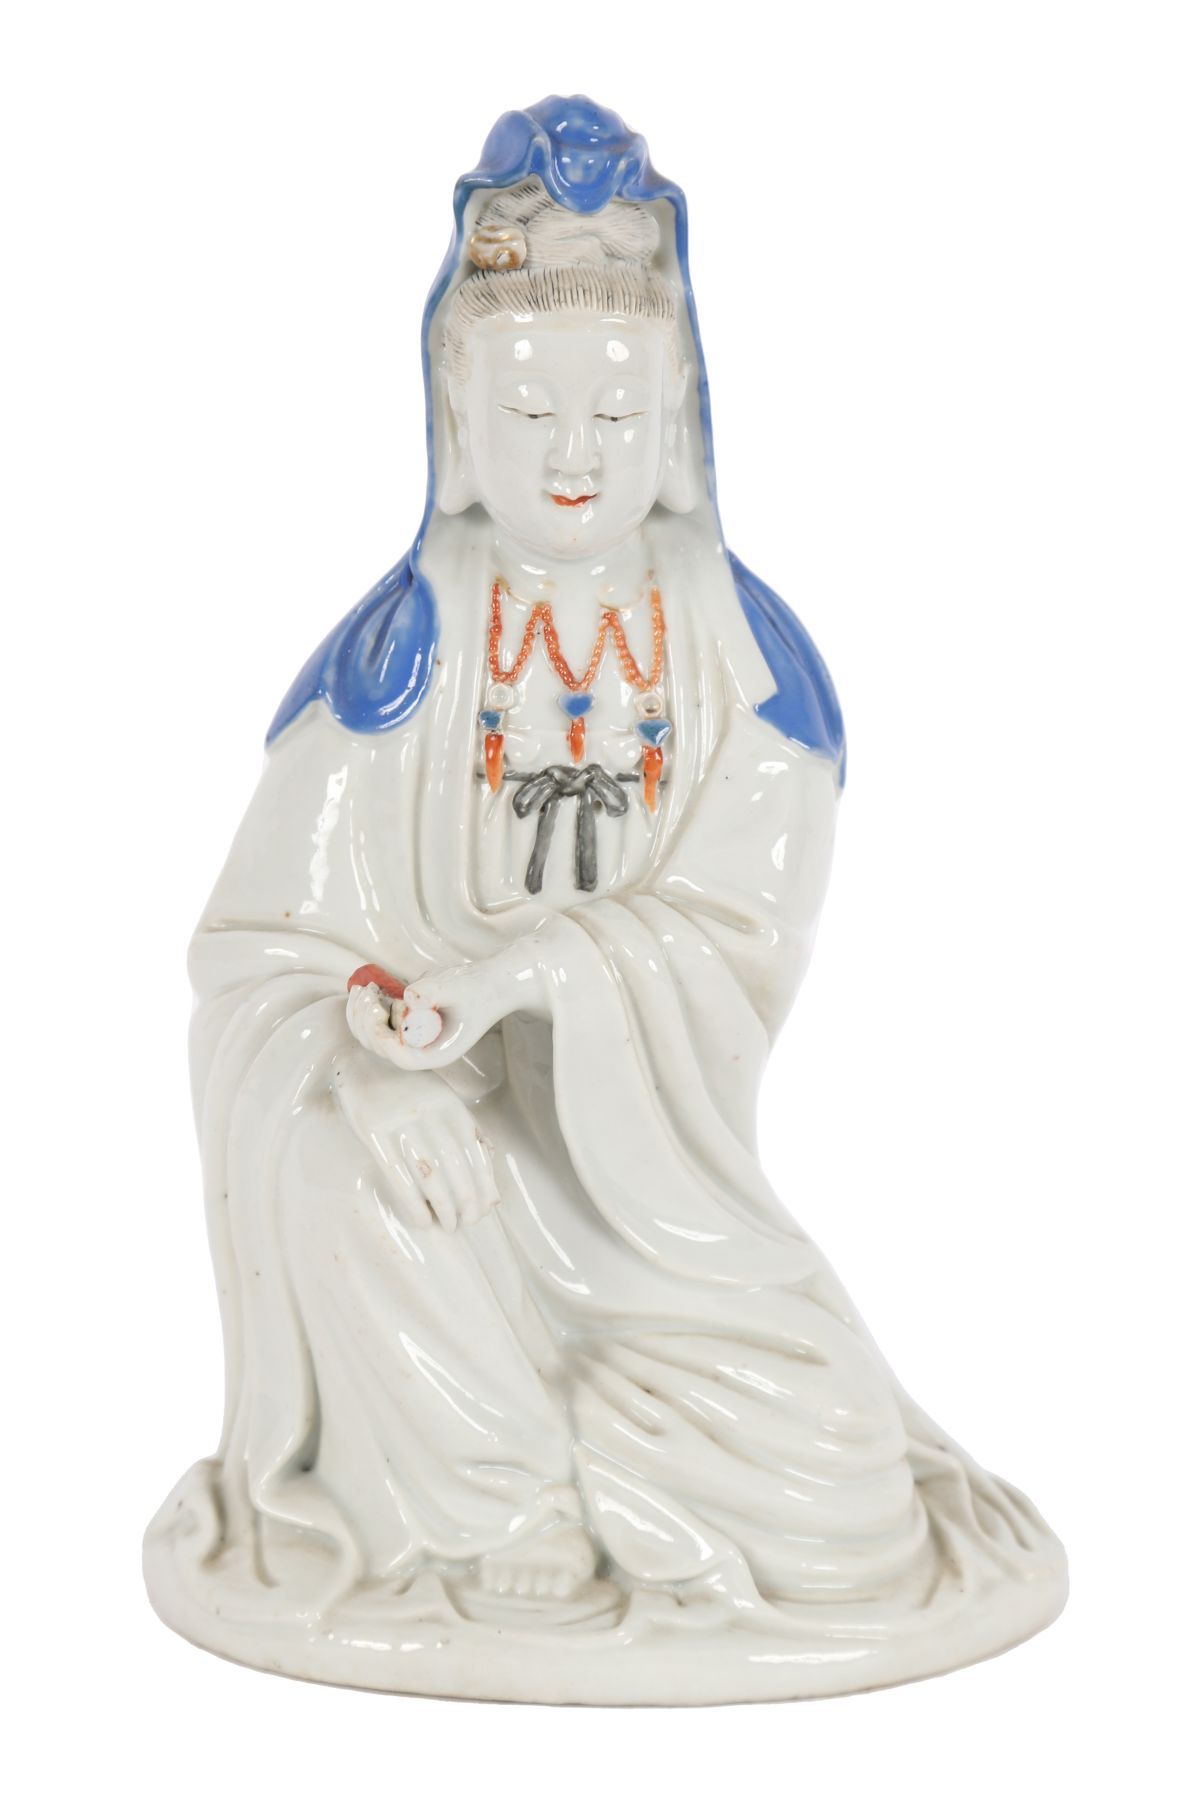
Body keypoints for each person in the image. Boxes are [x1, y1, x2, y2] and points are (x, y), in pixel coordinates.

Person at [145, 96, 1066, 1702]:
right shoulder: (405, 651)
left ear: (681, 416)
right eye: (528, 410)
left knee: (845, 1493)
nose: (574, 455)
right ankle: (500, 1505)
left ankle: (598, 1465)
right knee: (350, 1172)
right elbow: (257, 954)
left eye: (617, 412)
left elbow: (739, 933)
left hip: (648, 1207)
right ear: (455, 415)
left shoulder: (741, 658)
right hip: (437, 1180)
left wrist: (533, 975)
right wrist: (378, 1073)